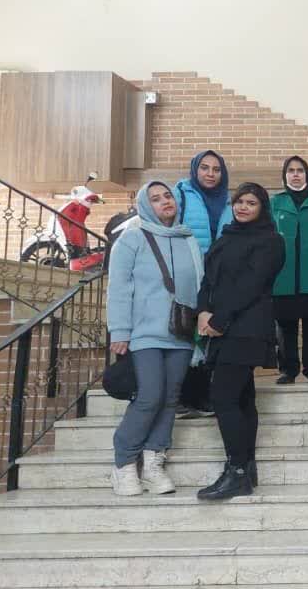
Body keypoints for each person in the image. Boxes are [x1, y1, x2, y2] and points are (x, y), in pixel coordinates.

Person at [107, 181, 203, 496]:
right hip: (144, 333)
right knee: (150, 395)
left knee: (171, 398)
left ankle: (153, 463)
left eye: (168, 196)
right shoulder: (132, 238)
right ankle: (124, 463)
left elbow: (199, 285)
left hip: (181, 333)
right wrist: (119, 330)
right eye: (156, 198)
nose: (165, 201)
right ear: (146, 206)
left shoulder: (188, 239)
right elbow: (119, 287)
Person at [195, 183, 285, 501]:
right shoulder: (226, 237)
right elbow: (208, 280)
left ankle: (236, 471)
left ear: (262, 208)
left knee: (223, 397)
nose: (243, 207)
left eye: (251, 203)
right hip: (221, 327)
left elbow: (252, 285)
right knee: (243, 398)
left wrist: (219, 319)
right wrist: (203, 311)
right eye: (239, 202)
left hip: (247, 328)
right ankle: (245, 467)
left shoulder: (270, 240)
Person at [174, 149, 234, 418]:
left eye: (216, 169)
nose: (211, 174)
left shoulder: (229, 200)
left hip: (218, 277)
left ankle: (205, 395)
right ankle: (184, 395)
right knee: (187, 332)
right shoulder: (181, 193)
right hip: (188, 273)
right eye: (205, 168)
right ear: (195, 169)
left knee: (210, 333)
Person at [271, 156, 308, 385]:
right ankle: (288, 369)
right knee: (286, 327)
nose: (295, 174)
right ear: (285, 175)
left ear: (307, 175)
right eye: (291, 170)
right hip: (283, 276)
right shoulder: (275, 202)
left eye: (300, 170)